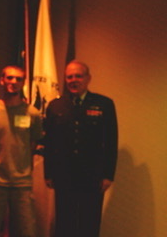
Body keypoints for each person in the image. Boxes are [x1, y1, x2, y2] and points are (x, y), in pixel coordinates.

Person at [44, 60, 118, 237]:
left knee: (89, 222)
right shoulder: (55, 106)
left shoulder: (104, 104)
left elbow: (110, 141)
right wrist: (48, 173)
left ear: (88, 78)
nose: (73, 80)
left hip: (92, 175)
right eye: (69, 77)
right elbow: (50, 143)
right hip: (64, 175)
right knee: (64, 222)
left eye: (78, 76)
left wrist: (108, 174)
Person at [0, 65, 43, 237]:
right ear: (2, 80)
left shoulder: (32, 114)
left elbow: (34, 141)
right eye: (9, 78)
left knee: (28, 232)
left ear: (23, 83)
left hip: (22, 183)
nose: (13, 82)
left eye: (18, 79)